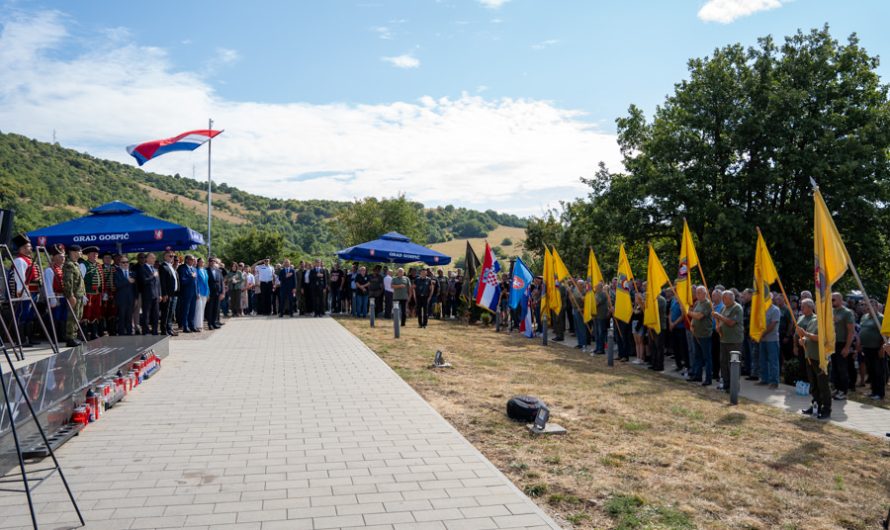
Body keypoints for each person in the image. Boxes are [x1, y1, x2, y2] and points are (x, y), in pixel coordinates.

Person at [797, 299, 830, 419]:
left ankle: (826, 409)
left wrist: (805, 334)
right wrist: (804, 341)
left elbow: (822, 338)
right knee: (814, 385)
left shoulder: (826, 321)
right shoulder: (813, 320)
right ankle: (816, 406)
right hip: (810, 356)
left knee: (823, 385)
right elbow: (810, 336)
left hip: (820, 358)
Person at [713, 290, 743, 392]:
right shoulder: (723, 308)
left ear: (731, 298)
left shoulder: (737, 308)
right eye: (723, 298)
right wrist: (718, 327)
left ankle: (734, 386)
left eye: (724, 298)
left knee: (733, 364)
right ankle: (726, 384)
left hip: (734, 341)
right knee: (723, 363)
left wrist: (719, 316)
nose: (723, 300)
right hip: (724, 339)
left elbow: (731, 322)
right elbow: (720, 321)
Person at [857, 302, 885, 401]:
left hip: (877, 348)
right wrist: (859, 344)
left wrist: (882, 348)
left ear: (876, 307)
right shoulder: (864, 317)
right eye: (867, 305)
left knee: (878, 371)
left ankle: (880, 393)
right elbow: (861, 331)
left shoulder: (881, 318)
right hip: (866, 348)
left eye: (871, 305)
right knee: (871, 371)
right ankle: (873, 391)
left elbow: (885, 334)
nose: (868, 307)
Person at [831, 292, 855, 400]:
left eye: (833, 299)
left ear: (840, 300)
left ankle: (843, 391)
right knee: (834, 368)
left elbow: (851, 331)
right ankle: (836, 388)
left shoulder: (847, 312)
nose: (831, 301)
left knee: (842, 368)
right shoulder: (831, 311)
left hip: (842, 343)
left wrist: (847, 347)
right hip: (832, 343)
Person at [688, 286, 714, 386]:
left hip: (705, 334)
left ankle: (708, 379)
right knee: (697, 356)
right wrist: (692, 325)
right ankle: (697, 375)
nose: (697, 294)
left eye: (699, 292)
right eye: (697, 292)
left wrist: (687, 312)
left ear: (705, 293)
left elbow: (699, 316)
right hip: (696, 333)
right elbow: (695, 316)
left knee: (707, 358)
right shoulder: (698, 303)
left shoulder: (708, 304)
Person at [61, 245, 86, 347]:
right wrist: (70, 296)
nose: (80, 254)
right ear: (73, 252)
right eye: (79, 252)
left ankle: (74, 336)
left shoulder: (75, 264)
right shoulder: (69, 265)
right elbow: (68, 282)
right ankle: (70, 338)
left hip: (79, 295)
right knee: (73, 317)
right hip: (74, 295)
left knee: (78, 316)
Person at [42, 245, 67, 342]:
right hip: (55, 297)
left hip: (63, 297)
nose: (63, 258)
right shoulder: (50, 270)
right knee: (55, 317)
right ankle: (54, 337)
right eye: (60, 256)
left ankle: (62, 336)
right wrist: (52, 298)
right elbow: (48, 286)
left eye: (63, 256)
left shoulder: (63, 269)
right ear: (54, 257)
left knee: (63, 317)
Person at [757, 294, 782, 389]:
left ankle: (774, 381)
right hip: (763, 339)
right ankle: (764, 379)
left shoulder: (775, 310)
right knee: (762, 360)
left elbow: (772, 325)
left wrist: (762, 334)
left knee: (773, 361)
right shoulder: (761, 309)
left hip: (772, 339)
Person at [139, 252, 161, 336]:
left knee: (156, 315)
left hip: (155, 295)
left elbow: (158, 283)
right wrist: (153, 276)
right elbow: (144, 281)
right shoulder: (142, 268)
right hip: (147, 295)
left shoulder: (155, 269)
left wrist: (160, 294)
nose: (154, 260)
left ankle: (155, 331)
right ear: (147, 259)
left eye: (154, 258)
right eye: (152, 258)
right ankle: (146, 331)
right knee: (146, 315)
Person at [114, 255, 136, 335]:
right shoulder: (116, 273)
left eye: (127, 262)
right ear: (120, 264)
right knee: (122, 318)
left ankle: (129, 333)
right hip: (121, 300)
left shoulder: (133, 273)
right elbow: (117, 285)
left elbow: (135, 288)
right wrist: (127, 281)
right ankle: (121, 334)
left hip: (131, 299)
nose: (125, 264)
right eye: (123, 262)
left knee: (129, 318)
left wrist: (136, 298)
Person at [159, 251, 180, 335]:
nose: (172, 257)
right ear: (165, 257)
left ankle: (169, 328)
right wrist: (164, 294)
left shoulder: (171, 266)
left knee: (171, 313)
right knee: (165, 313)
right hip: (167, 294)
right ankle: (164, 330)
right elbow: (162, 282)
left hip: (173, 293)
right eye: (170, 256)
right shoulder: (163, 267)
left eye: (173, 256)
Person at [669, 284, 688, 373]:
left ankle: (685, 365)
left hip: (680, 327)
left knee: (682, 347)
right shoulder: (673, 299)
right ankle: (678, 365)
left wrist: (674, 323)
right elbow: (670, 312)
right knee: (675, 347)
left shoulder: (682, 300)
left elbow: (683, 315)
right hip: (673, 327)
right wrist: (670, 323)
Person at [177, 255, 198, 333]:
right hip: (185, 293)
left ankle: (191, 325)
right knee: (185, 310)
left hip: (193, 293)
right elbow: (182, 281)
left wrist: (197, 292)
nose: (193, 261)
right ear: (186, 260)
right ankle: (185, 326)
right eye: (191, 259)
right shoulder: (182, 268)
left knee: (192, 310)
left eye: (193, 260)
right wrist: (190, 277)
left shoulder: (194, 269)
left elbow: (196, 282)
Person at [100, 252, 117, 336]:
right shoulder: (100, 268)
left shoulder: (115, 268)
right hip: (104, 293)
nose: (108, 259)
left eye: (109, 258)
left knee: (112, 312)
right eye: (106, 258)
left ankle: (112, 330)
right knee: (103, 312)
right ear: (103, 259)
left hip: (113, 294)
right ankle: (102, 330)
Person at [206, 258, 224, 329]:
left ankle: (214, 322)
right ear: (209, 262)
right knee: (210, 308)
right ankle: (210, 323)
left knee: (216, 309)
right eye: (211, 261)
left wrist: (222, 292)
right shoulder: (206, 270)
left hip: (218, 292)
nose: (213, 262)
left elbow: (221, 282)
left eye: (214, 261)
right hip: (210, 292)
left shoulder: (218, 271)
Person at [194, 258, 209, 332]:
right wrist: (197, 292)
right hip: (199, 292)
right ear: (198, 262)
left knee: (203, 309)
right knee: (198, 309)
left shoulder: (205, 271)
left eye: (203, 262)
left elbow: (207, 283)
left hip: (205, 292)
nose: (202, 263)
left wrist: (208, 293)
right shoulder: (196, 271)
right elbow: (196, 283)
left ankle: (201, 325)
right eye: (201, 262)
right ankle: (197, 325)